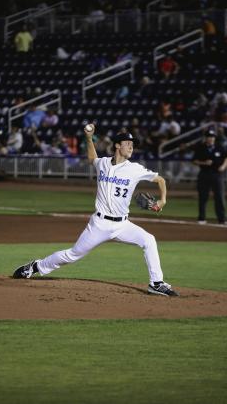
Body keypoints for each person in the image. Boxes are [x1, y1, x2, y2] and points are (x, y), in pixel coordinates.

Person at [12, 124, 179, 297]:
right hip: (99, 224)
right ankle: (36, 266)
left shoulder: (135, 169)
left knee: (149, 240)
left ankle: (156, 283)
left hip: (122, 224)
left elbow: (160, 180)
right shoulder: (104, 163)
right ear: (117, 145)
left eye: (132, 144)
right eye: (127, 143)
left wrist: (162, 200)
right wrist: (89, 138)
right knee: (73, 255)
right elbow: (93, 158)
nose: (131, 146)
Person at [193, 128, 227, 225]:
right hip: (204, 174)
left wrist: (223, 166)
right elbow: (194, 161)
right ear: (206, 138)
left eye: (212, 137)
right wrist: (204, 163)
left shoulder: (219, 147)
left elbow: (226, 158)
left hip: (217, 174)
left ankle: (222, 219)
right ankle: (202, 218)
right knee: (203, 197)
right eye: (209, 137)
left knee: (220, 197)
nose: (211, 139)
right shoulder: (200, 147)